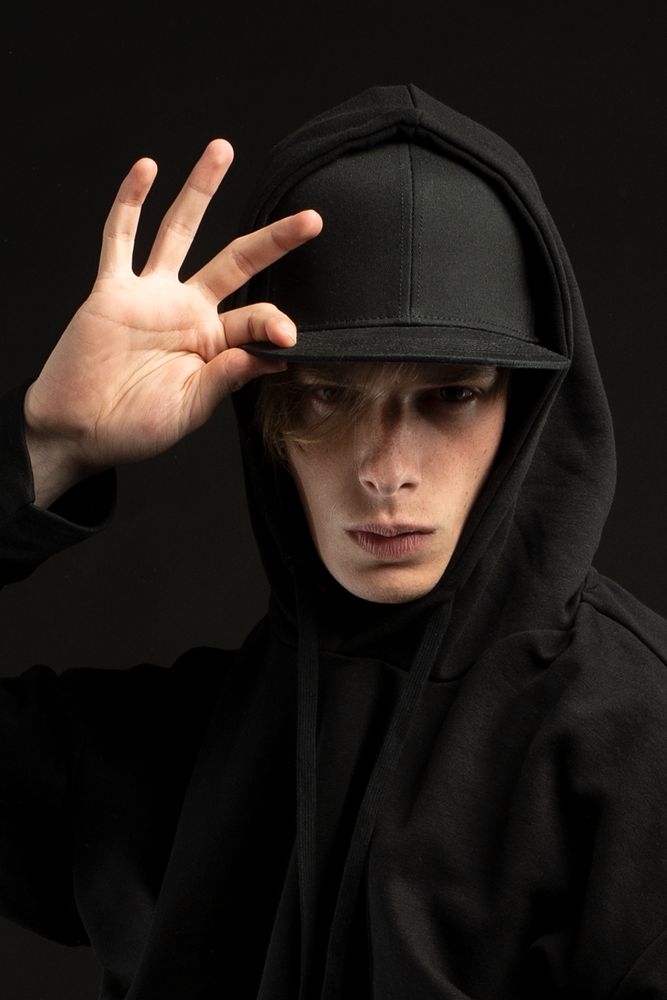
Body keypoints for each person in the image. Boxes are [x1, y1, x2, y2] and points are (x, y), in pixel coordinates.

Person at [1, 82, 666, 1000]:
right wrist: (46, 448)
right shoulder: (174, 755)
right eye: (326, 395)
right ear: (263, 410)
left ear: (522, 414)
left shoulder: (638, 751)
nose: (386, 469)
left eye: (450, 395)